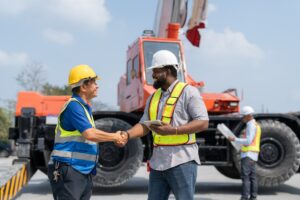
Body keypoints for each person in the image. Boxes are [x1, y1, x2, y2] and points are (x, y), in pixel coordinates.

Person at [120, 50, 209, 200]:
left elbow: (203, 122)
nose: (152, 75)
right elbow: (144, 125)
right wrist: (127, 135)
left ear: (167, 71)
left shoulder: (189, 92)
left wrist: (173, 130)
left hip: (182, 161)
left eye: (155, 71)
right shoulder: (153, 97)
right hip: (158, 163)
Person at [47, 64, 127, 200]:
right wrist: (114, 136)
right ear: (83, 87)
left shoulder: (84, 108)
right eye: (94, 82)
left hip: (82, 169)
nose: (97, 85)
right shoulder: (74, 106)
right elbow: (90, 134)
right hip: (69, 168)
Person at [228, 106, 261, 200]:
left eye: (243, 116)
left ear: (248, 115)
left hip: (248, 155)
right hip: (254, 155)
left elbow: (248, 141)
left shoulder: (250, 125)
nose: (242, 118)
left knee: (245, 177)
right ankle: (253, 197)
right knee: (253, 177)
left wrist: (234, 139)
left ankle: (244, 197)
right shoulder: (256, 124)